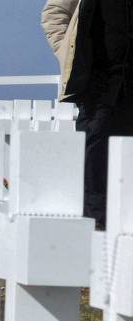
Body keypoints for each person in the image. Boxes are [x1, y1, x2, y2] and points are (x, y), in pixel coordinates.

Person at [42, 0, 133, 229]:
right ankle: (95, 226)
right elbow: (54, 14)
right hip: (99, 85)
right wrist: (67, 54)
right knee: (94, 154)